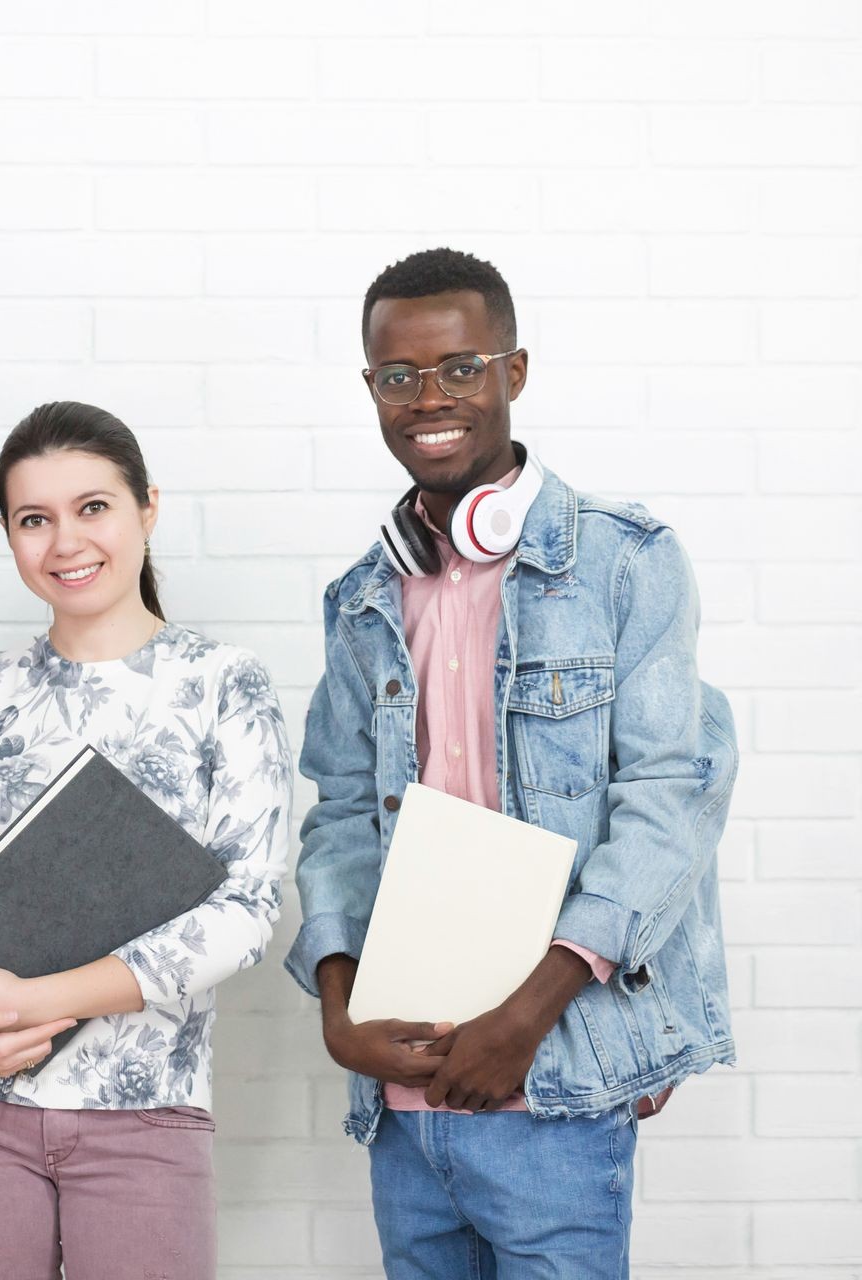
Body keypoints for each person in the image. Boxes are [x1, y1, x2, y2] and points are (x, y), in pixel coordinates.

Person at [284, 248, 738, 1278]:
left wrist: (526, 1016)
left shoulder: (628, 561)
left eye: (458, 367)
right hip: (406, 1108)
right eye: (397, 376)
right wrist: (338, 1001)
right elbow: (342, 817)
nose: (428, 397)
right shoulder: (362, 601)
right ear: (371, 389)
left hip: (559, 1083)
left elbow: (672, 802)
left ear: (513, 373)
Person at [0, 401, 292, 1279]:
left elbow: (247, 909)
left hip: (144, 1108)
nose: (65, 543)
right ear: (10, 537)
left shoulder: (223, 686)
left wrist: (37, 997)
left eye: (93, 507)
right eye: (33, 520)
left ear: (147, 509)